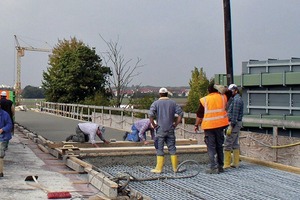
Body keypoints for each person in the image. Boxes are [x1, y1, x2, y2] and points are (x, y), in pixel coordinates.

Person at [194, 83, 229, 174]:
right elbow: (229, 92)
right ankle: (220, 166)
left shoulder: (205, 100)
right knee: (219, 146)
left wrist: (196, 125)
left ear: (208, 91)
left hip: (209, 127)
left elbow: (199, 114)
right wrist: (222, 88)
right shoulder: (223, 97)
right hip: (220, 125)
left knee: (211, 147)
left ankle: (213, 167)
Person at [149, 87, 184, 173]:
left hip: (160, 129)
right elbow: (181, 114)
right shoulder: (173, 103)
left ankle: (159, 169)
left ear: (159, 94)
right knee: (172, 148)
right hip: (170, 129)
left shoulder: (156, 103)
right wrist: (175, 124)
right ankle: (175, 168)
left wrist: (153, 125)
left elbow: (151, 115)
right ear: (167, 94)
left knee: (159, 148)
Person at [224, 84, 244, 169]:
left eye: (231, 91)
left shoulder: (236, 100)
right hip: (236, 123)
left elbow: (235, 114)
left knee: (228, 143)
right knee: (235, 143)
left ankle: (227, 163)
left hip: (234, 124)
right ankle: (235, 163)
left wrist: (231, 126)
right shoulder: (236, 99)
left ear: (235, 90)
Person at [0, 104, 13, 177]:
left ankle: (0, 172)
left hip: (3, 137)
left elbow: (9, 125)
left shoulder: (5, 114)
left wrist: (2, 129)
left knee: (0, 153)